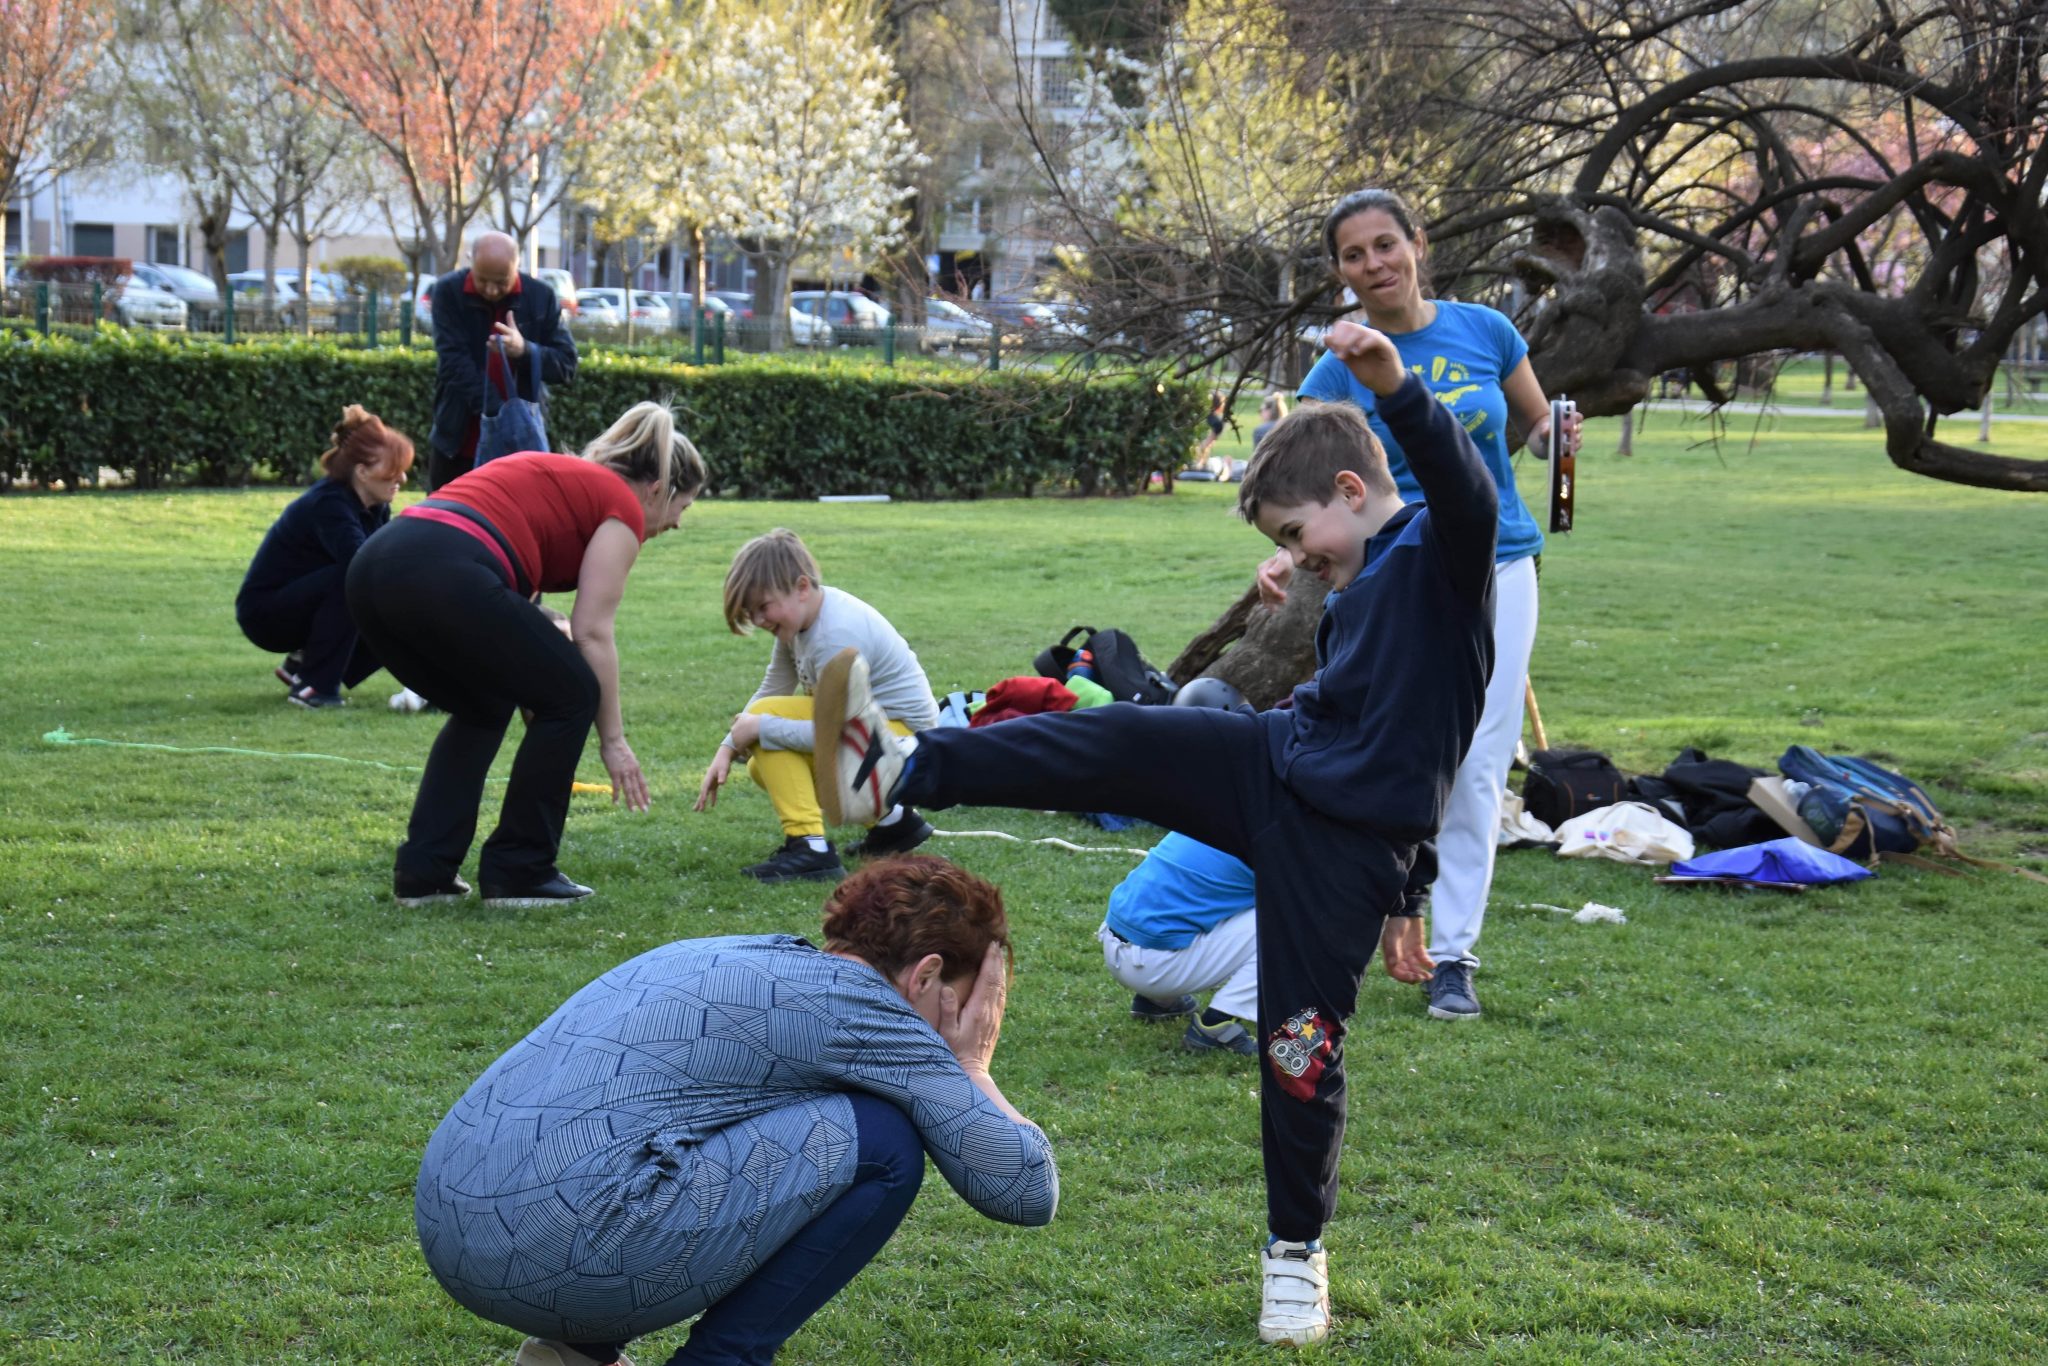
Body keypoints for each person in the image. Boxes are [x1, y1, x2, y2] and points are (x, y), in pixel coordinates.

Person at [806, 320, 1483, 1347]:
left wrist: (1393, 385)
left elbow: (1427, 749)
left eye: (1295, 537)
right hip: (1270, 763)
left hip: (1344, 850)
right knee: (1116, 737)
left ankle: (1295, 1254)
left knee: (1298, 1046)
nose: (1292, 560)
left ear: (1352, 490)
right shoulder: (1347, 597)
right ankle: (898, 771)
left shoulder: (1442, 553)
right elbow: (1389, 732)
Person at [414, 855, 1056, 1366]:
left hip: (448, 1226)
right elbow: (1024, 1190)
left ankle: (569, 1356)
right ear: (926, 976)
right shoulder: (874, 1012)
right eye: (969, 1002)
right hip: (557, 1256)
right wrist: (970, 1066)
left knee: (676, 1128)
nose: (972, 1020)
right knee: (883, 1143)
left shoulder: (729, 951)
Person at [1287, 187, 1582, 1023]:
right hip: (1392, 571)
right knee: (1386, 748)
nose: (1374, 264)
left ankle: (1453, 955)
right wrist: (1282, 561)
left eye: (1387, 244)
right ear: (1339, 271)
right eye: (1354, 255)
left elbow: (1531, 425)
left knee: (1482, 759)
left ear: (1418, 244)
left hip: (1502, 559)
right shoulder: (1336, 366)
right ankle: (1369, 918)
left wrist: (1557, 438)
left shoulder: (1487, 330)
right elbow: (1302, 478)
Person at [346, 402, 704, 908]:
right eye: (681, 508)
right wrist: (614, 741)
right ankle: (521, 869)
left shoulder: (562, 480)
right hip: (444, 569)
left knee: (485, 702)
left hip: (374, 571)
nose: (676, 525)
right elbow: (593, 633)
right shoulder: (619, 507)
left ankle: (425, 873)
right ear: (655, 489)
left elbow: (513, 589)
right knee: (575, 691)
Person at [694, 529, 939, 884]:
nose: (760, 620)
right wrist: (729, 746)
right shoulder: (799, 623)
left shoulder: (834, 635)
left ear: (802, 587)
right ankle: (892, 823)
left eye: (763, 607)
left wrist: (758, 728)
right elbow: (773, 687)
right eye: (751, 612)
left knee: (767, 723)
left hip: (900, 742)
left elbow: (838, 736)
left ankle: (810, 848)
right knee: (762, 765)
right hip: (871, 735)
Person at [235, 405, 412, 709]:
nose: (402, 478)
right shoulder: (329, 504)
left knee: (387, 598)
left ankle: (301, 667)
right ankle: (314, 686)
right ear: (361, 471)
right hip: (265, 615)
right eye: (392, 471)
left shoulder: (375, 503)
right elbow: (363, 565)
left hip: (300, 603)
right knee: (355, 578)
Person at [428, 230, 578, 491]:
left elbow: (566, 365)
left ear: (516, 268)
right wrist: (500, 415)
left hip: (519, 445)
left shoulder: (541, 297)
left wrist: (525, 350)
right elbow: (453, 363)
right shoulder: (448, 292)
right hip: (458, 441)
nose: (490, 289)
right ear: (470, 262)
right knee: (443, 523)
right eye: (483, 279)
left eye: (501, 281)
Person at [1102, 831, 1259, 1056]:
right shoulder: (1278, 838)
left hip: (1114, 941)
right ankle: (1218, 1024)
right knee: (1289, 921)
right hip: (1156, 964)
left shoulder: (1216, 812)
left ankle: (1158, 1001)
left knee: (1217, 893)